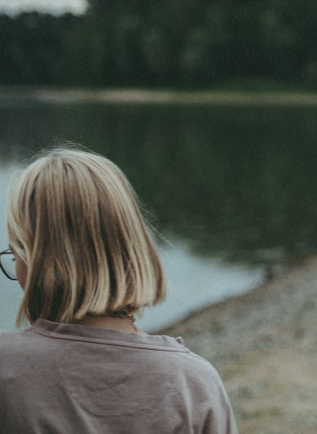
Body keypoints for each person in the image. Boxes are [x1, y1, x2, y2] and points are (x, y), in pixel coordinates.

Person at [0, 147, 238, 433]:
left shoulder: (7, 367)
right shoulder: (194, 382)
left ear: (34, 259)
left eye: (15, 254)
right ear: (130, 245)